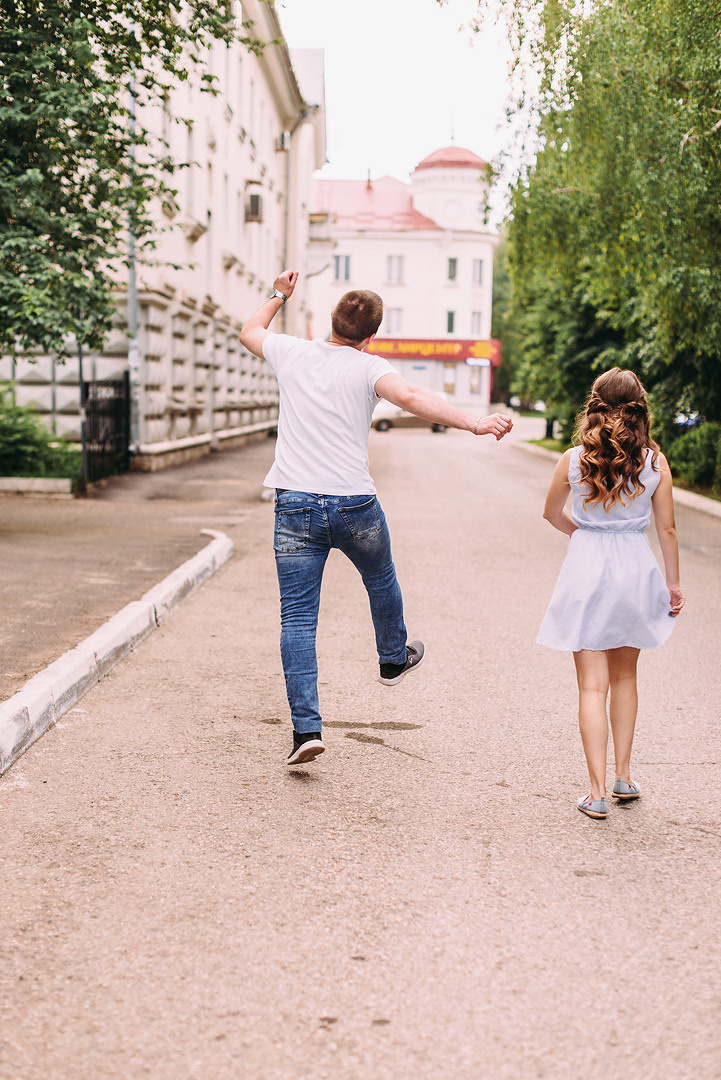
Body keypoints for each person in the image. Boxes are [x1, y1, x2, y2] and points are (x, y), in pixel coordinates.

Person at [239, 270, 514, 765]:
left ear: (331, 320)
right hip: (354, 504)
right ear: (371, 337)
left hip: (295, 504)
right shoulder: (370, 368)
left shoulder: (291, 352)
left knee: (297, 618)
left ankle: (306, 731)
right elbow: (412, 398)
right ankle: (392, 659)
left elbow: (249, 331)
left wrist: (280, 294)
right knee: (380, 577)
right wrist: (474, 423)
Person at [537, 368, 685, 818]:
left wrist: (584, 534)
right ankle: (623, 776)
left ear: (594, 405)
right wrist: (673, 584)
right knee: (625, 679)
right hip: (634, 570)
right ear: (641, 409)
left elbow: (551, 513)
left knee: (590, 685)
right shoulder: (655, 463)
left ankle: (597, 792)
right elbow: (667, 529)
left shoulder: (573, 459)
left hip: (587, 570)